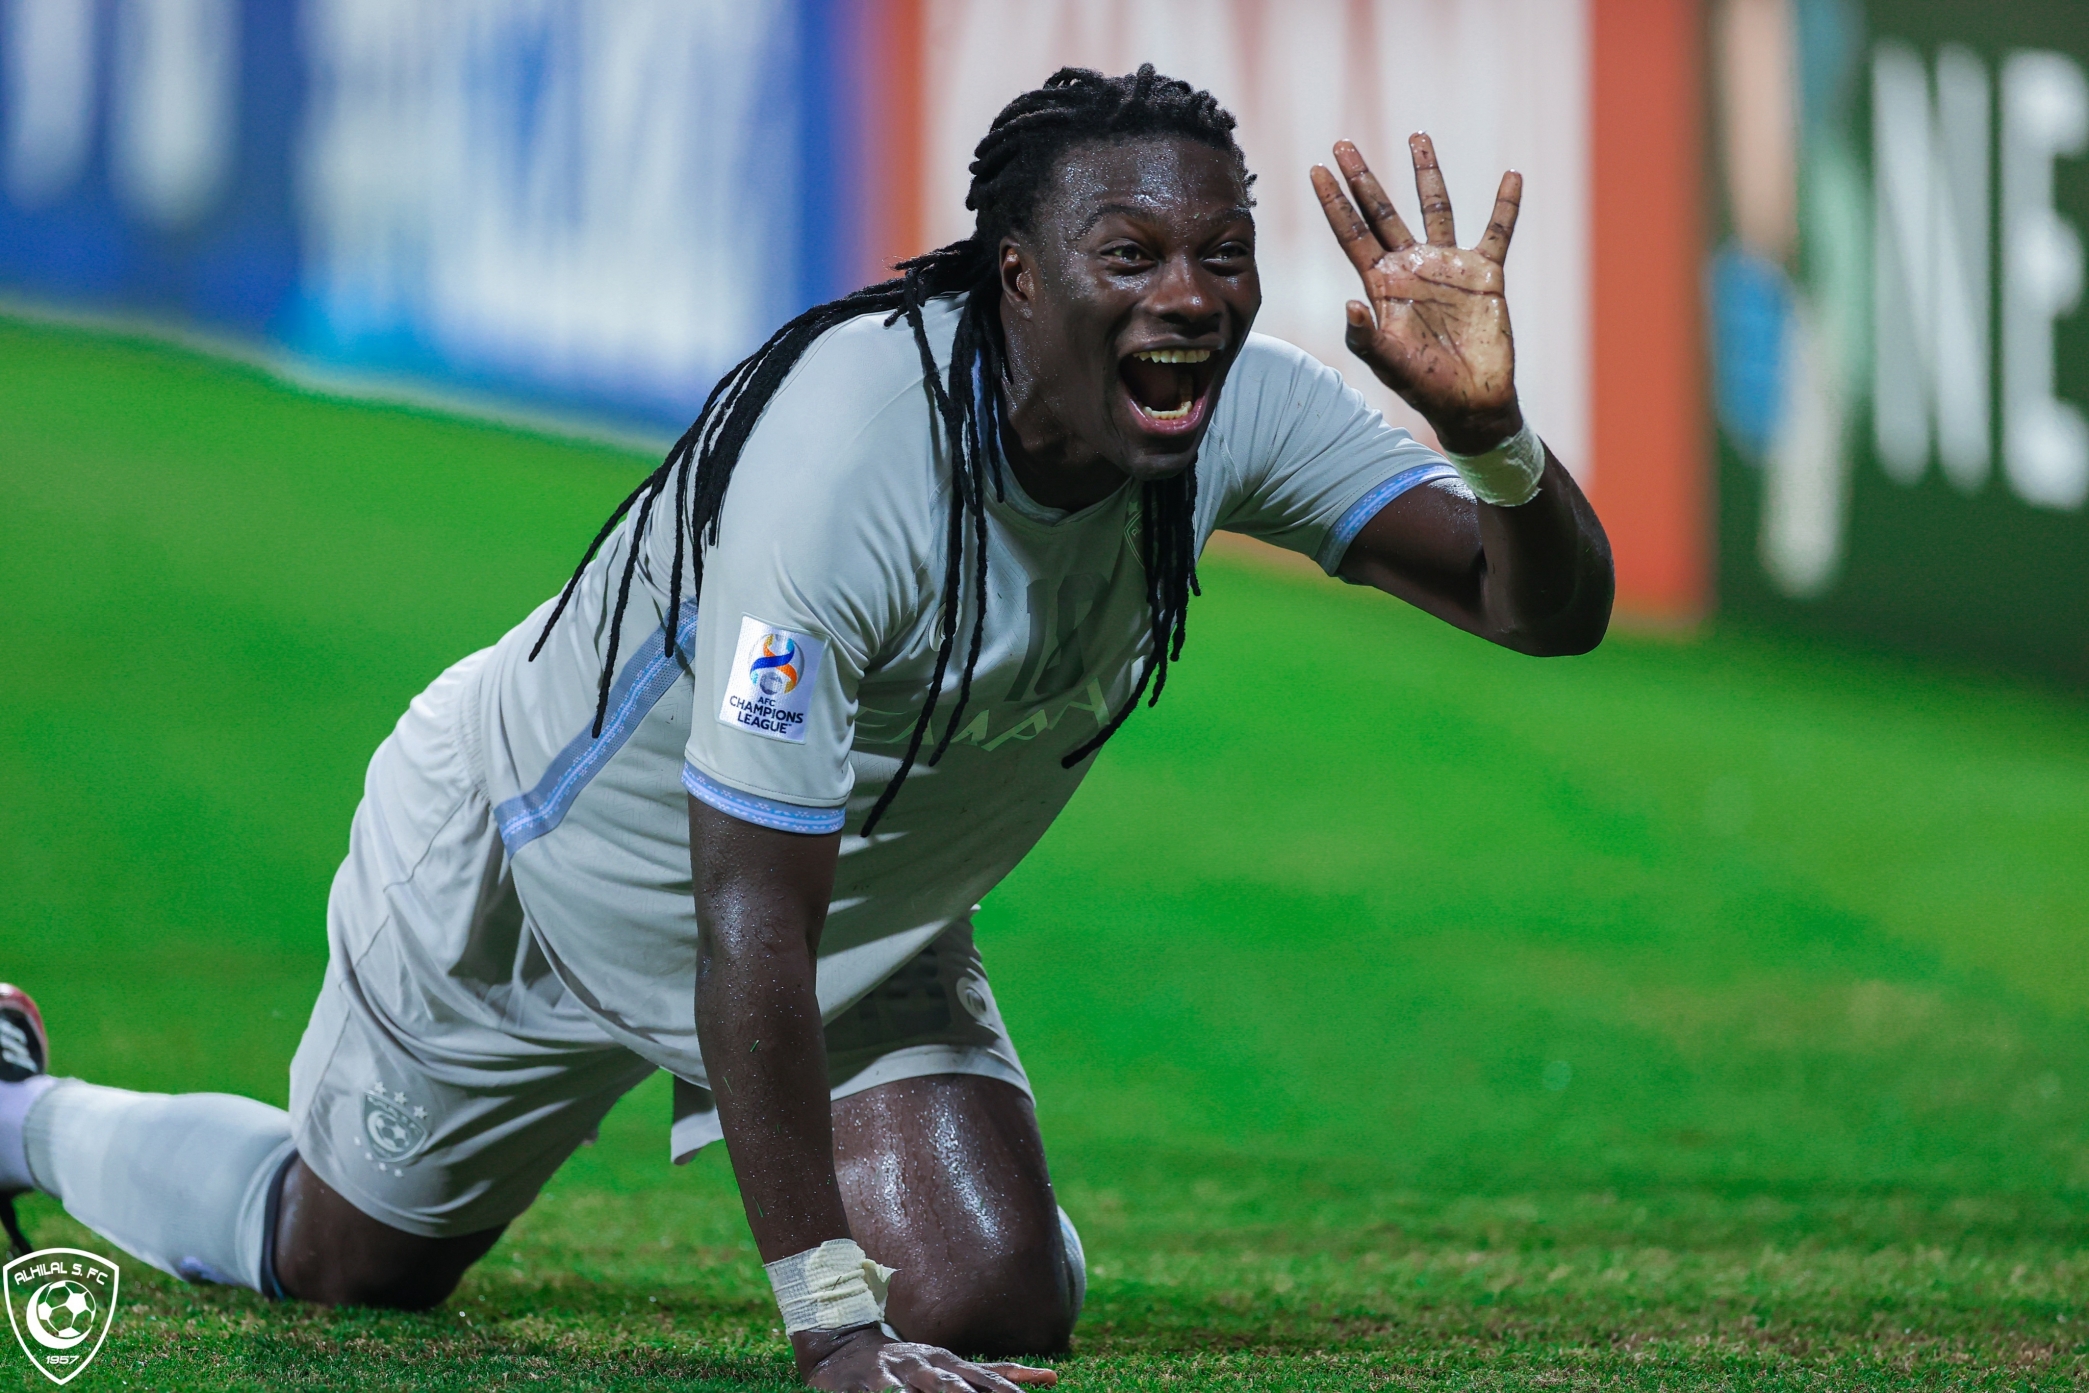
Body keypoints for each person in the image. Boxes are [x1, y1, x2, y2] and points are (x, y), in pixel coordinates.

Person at [0, 66, 1610, 1392]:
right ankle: (18, 1109)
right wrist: (830, 1325)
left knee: (988, 1301)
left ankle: (961, 1211)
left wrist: (1492, 441)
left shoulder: (1235, 412)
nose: (1185, 299)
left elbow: (1539, 604)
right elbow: (741, 913)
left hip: (855, 915)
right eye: (1130, 256)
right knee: (344, 1264)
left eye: (1219, 254)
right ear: (1020, 276)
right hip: (539, 872)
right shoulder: (847, 458)